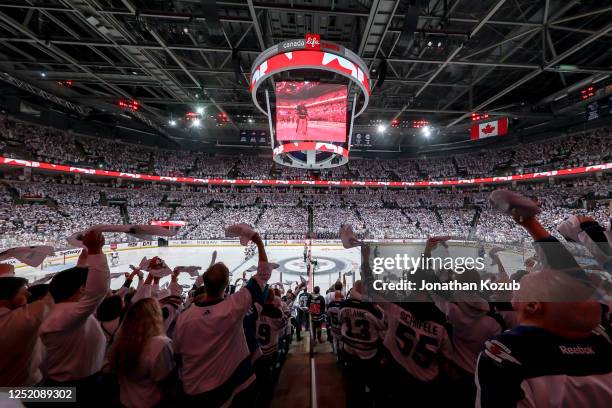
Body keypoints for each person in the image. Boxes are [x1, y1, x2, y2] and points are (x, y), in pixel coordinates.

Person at [475, 198, 612, 408]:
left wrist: (532, 225)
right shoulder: (600, 340)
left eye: (519, 288)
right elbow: (572, 281)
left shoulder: (509, 353)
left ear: (533, 305)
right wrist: (532, 224)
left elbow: (572, 282)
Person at [173, 228, 272, 407]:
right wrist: (257, 240)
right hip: (232, 387)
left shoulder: (184, 317)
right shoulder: (232, 308)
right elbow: (263, 276)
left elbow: (178, 355)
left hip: (195, 392)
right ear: (226, 286)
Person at [39, 231, 110, 404]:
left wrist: (84, 261)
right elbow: (98, 290)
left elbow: (72, 282)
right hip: (73, 391)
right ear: (80, 289)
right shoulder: (68, 315)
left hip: (58, 386)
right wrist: (95, 251)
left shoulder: (58, 310)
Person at [110, 298, 175, 408]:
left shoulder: (120, 339)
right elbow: (165, 381)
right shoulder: (160, 344)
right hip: (150, 402)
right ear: (155, 317)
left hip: (124, 401)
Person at [0, 263, 54, 386]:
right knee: (66, 397)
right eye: (22, 292)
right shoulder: (21, 319)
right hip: (27, 388)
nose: (29, 295)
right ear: (5, 299)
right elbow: (56, 296)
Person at [339, 279, 386, 407]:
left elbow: (340, 319)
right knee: (374, 387)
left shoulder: (343, 305)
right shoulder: (371, 308)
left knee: (353, 388)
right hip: (369, 354)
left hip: (350, 352)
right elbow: (383, 325)